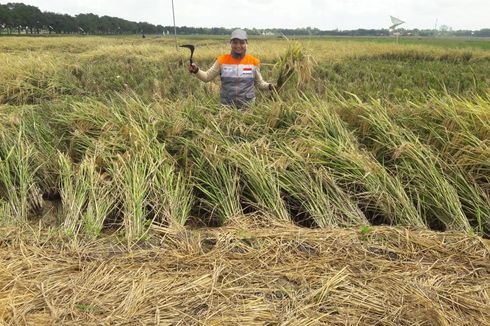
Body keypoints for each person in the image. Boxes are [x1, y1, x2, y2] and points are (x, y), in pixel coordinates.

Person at [188, 29, 274, 109]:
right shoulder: (222, 61)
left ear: (246, 43)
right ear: (230, 43)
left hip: (248, 108)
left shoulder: (253, 62)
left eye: (242, 42)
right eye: (235, 42)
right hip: (226, 107)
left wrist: (270, 86)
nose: (238, 46)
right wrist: (196, 70)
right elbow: (207, 77)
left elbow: (259, 84)